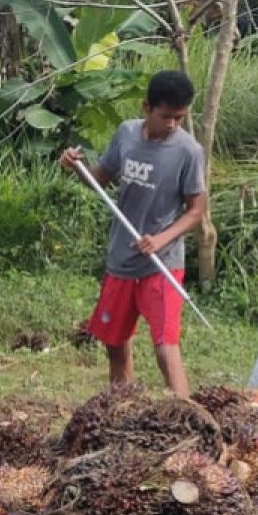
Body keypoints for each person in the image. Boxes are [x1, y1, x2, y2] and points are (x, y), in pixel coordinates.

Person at [59, 70, 207, 397]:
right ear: (146, 107)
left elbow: (196, 211)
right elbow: (100, 180)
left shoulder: (189, 152)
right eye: (165, 116)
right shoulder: (126, 134)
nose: (171, 124)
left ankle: (187, 419)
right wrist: (77, 166)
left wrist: (161, 239)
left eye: (179, 118)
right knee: (114, 342)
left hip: (162, 263)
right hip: (122, 259)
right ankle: (123, 410)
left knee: (165, 348)